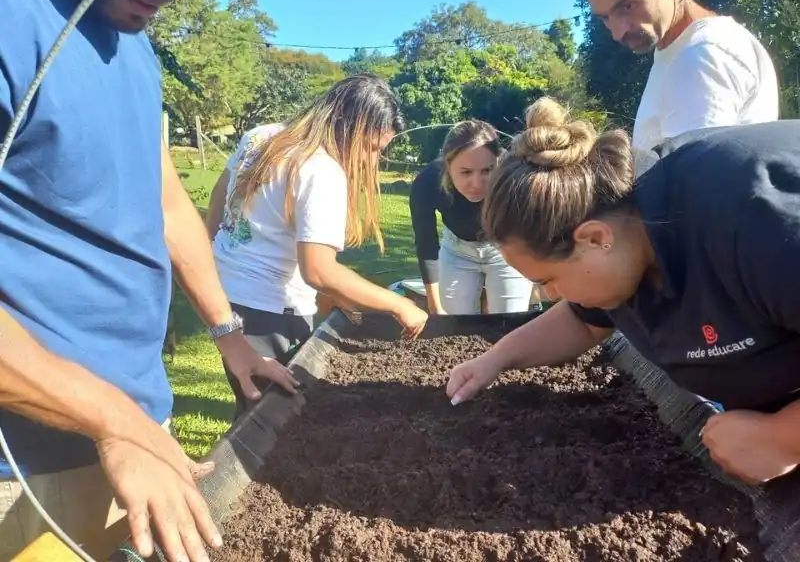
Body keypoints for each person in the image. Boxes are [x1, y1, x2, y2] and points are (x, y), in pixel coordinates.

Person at [0, 0, 299, 561]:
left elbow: (163, 203)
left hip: (137, 435)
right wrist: (112, 420)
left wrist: (229, 335)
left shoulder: (134, 48)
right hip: (24, 467)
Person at [446, 96, 800, 487]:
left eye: (547, 280)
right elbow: (583, 323)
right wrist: (494, 360)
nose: (549, 295)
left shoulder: (758, 221)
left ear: (595, 238)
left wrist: (781, 438)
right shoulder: (622, 234)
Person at [205, 75, 429, 418]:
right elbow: (319, 270)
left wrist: (210, 259)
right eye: (371, 149)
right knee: (271, 417)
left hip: (226, 299)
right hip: (272, 315)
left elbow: (218, 198)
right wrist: (399, 305)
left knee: (251, 405)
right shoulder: (320, 168)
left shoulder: (262, 135)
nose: (372, 161)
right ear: (348, 128)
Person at [573, 0, 779, 152]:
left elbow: (694, 183)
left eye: (627, 6)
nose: (618, 32)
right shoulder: (680, 49)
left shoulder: (702, 53)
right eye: (606, 18)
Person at [409, 121, 534, 315]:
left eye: (487, 170)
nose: (476, 183)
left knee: (510, 319)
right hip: (457, 250)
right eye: (466, 172)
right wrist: (435, 306)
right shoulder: (427, 182)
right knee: (456, 322)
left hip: (505, 248)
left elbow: (531, 231)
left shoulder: (514, 179)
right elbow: (426, 243)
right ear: (448, 166)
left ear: (498, 162)